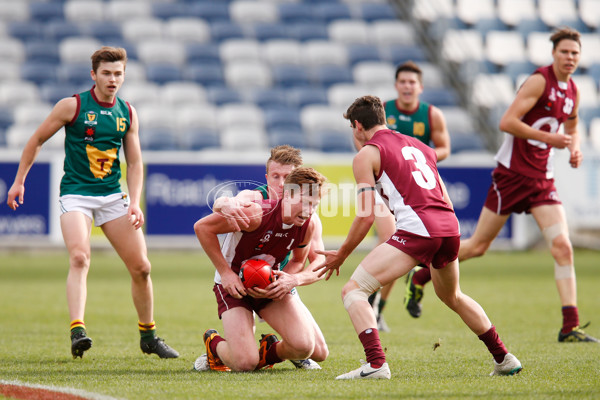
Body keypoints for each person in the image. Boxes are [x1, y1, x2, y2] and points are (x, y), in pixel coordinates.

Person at [409, 27, 598, 343]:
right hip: (510, 176)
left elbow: (573, 124)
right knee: (478, 247)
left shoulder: (573, 91)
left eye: (575, 53)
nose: (570, 58)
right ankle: (421, 275)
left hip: (542, 180)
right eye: (565, 52)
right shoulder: (540, 81)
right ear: (553, 54)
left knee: (563, 247)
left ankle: (570, 325)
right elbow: (506, 122)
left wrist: (575, 146)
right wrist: (549, 138)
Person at [315, 95, 522, 379]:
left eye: (352, 129)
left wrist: (341, 254)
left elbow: (365, 215)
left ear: (357, 126)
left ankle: (376, 364)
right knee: (453, 296)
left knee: (353, 290)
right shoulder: (420, 146)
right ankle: (504, 357)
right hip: (449, 228)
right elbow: (444, 197)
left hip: (418, 230)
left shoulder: (366, 154)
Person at [5, 46, 179, 359]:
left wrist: (135, 202)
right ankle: (77, 331)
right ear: (93, 75)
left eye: (118, 74)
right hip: (75, 194)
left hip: (113, 197)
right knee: (80, 257)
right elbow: (36, 140)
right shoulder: (71, 106)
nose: (113, 79)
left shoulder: (127, 112)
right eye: (106, 73)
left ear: (124, 76)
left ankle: (149, 336)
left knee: (142, 268)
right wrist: (19, 181)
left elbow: (136, 163)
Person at [193, 145, 327, 371]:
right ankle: (214, 344)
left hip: (272, 284)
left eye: (314, 204)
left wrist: (287, 282)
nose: (281, 182)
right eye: (276, 176)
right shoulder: (255, 208)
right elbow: (204, 226)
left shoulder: (308, 221)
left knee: (311, 349)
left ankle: (268, 351)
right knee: (245, 363)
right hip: (236, 285)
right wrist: (226, 273)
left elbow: (301, 261)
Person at [368, 61, 451, 328]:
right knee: (389, 237)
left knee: (434, 238)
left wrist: (415, 159)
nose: (407, 86)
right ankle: (373, 300)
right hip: (386, 185)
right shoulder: (382, 110)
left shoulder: (431, 115)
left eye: (412, 82)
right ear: (396, 85)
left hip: (418, 186)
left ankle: (379, 306)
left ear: (420, 87)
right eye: (402, 81)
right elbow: (362, 138)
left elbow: (444, 148)